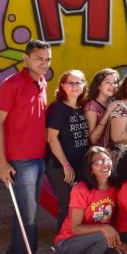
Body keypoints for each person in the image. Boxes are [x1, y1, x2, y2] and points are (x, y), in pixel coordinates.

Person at [0, 39, 54, 254]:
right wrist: (2, 162)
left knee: (27, 212)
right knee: (28, 216)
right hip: (20, 160)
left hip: (38, 158)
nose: (44, 63)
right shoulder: (12, 84)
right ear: (25, 58)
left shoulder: (42, 81)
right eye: (39, 58)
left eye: (47, 59)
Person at [52, 147, 127, 254]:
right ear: (90, 169)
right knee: (103, 235)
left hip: (97, 239)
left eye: (107, 159)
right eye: (98, 163)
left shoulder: (114, 188)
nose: (105, 164)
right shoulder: (80, 189)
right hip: (68, 243)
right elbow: (75, 228)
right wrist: (104, 229)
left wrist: (116, 241)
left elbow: (112, 221)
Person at [45, 69, 90, 234]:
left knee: (80, 206)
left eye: (79, 82)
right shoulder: (58, 108)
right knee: (67, 206)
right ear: (63, 85)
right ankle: (62, 244)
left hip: (81, 166)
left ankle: (77, 243)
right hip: (60, 167)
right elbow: (51, 139)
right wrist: (66, 165)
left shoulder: (81, 107)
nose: (75, 86)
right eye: (70, 83)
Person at [84, 68, 119, 147]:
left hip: (115, 150)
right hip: (100, 151)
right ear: (98, 85)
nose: (112, 85)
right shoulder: (91, 107)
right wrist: (108, 113)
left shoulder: (115, 101)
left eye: (115, 82)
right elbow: (93, 139)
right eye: (107, 82)